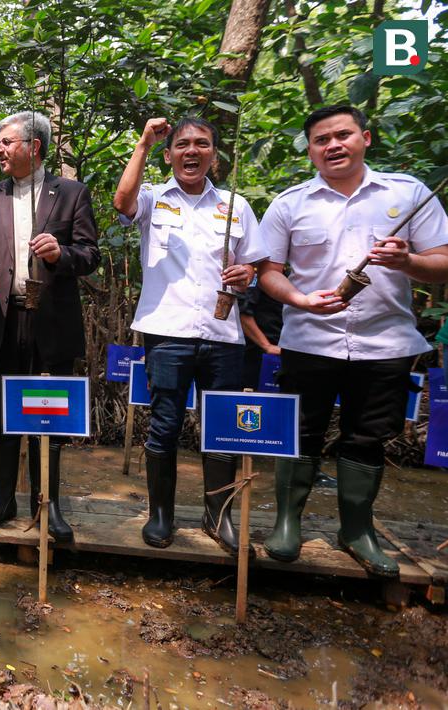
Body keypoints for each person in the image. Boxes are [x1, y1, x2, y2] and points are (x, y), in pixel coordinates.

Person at [258, 104, 448, 577]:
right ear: (310, 152)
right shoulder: (290, 203)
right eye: (322, 140)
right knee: (299, 433)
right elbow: (268, 272)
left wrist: (408, 263)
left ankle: (356, 530)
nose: (333, 145)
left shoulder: (408, 194)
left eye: (342, 135)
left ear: (365, 137)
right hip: (309, 340)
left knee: (367, 438)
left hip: (385, 343)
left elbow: (443, 259)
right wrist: (300, 300)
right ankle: (287, 522)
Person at [113, 116, 268, 554]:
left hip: (223, 334)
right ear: (169, 154)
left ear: (213, 156)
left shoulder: (236, 206)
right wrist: (143, 142)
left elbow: (254, 264)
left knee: (222, 427)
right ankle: (161, 516)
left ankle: (217, 517)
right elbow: (121, 203)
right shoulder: (153, 198)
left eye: (202, 144)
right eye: (182, 144)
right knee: (164, 424)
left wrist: (247, 274)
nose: (192, 151)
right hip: (167, 331)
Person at [0, 110, 100, 538]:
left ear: (33, 147)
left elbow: (91, 255)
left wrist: (61, 255)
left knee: (50, 416)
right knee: (0, 417)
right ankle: (1, 501)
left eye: (5, 142)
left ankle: (49, 506)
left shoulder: (72, 194)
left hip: (50, 324)